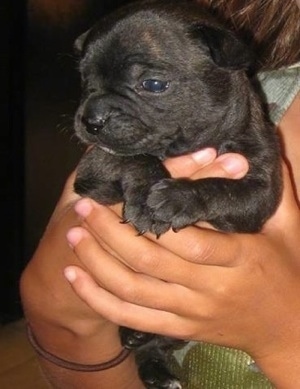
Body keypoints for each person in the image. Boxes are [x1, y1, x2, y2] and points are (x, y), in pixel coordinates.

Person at [20, 0, 300, 388]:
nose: (93, 113)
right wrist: (53, 311)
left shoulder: (254, 137)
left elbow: (255, 200)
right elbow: (93, 179)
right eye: (90, 85)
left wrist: (284, 335)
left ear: (227, 67)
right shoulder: (135, 140)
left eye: (152, 84)